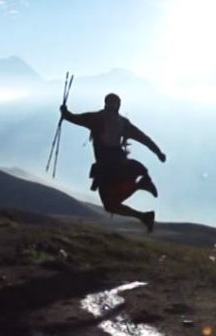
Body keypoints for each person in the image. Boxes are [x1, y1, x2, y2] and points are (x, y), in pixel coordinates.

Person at [60, 93, 167, 233]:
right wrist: (158, 152)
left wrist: (64, 112)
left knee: (110, 204)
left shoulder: (96, 118)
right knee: (111, 204)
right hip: (117, 165)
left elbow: (73, 118)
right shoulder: (121, 123)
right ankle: (144, 213)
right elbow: (143, 138)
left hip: (107, 169)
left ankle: (142, 200)